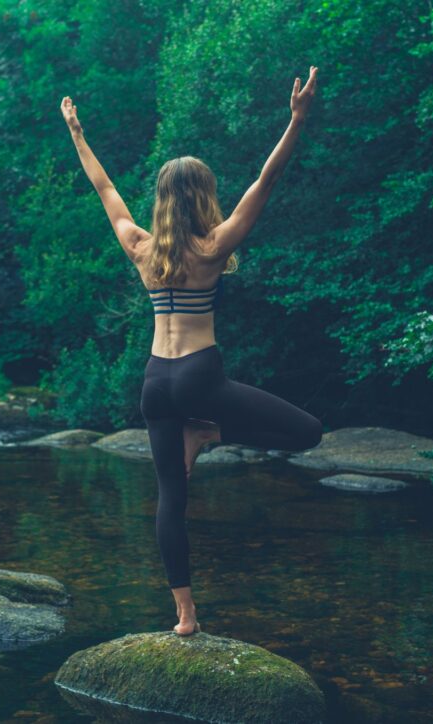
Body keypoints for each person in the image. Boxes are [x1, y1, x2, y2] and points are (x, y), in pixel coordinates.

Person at [61, 66, 322, 636]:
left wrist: (78, 136)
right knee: (308, 434)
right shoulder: (214, 244)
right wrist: (296, 120)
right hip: (202, 378)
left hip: (155, 381)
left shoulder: (139, 246)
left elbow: (105, 190)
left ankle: (184, 616)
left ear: (159, 200)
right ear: (204, 196)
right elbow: (265, 181)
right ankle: (212, 433)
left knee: (169, 500)